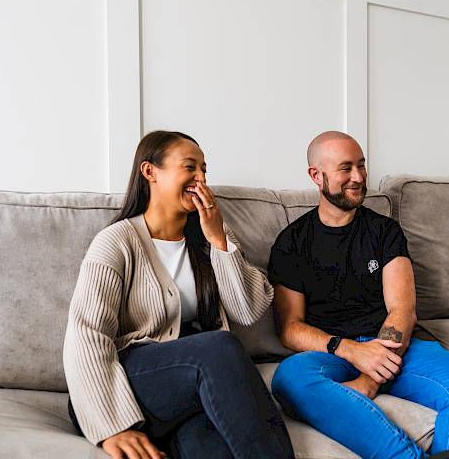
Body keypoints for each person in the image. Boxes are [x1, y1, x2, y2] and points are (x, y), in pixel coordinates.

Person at [63, 131, 294, 459]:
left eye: (204, 170)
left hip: (186, 394)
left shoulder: (210, 235)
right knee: (219, 347)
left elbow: (248, 309)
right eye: (190, 167)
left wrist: (218, 238)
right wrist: (112, 426)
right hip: (131, 384)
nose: (200, 178)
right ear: (150, 172)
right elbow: (87, 334)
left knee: (213, 448)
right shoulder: (116, 242)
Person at [268, 131, 449, 458]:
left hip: (394, 348)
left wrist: (371, 375)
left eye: (361, 166)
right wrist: (349, 351)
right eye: (345, 168)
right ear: (316, 175)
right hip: (330, 353)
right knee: (289, 380)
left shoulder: (383, 231)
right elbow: (290, 328)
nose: (359, 177)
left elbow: (402, 309)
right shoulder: (292, 242)